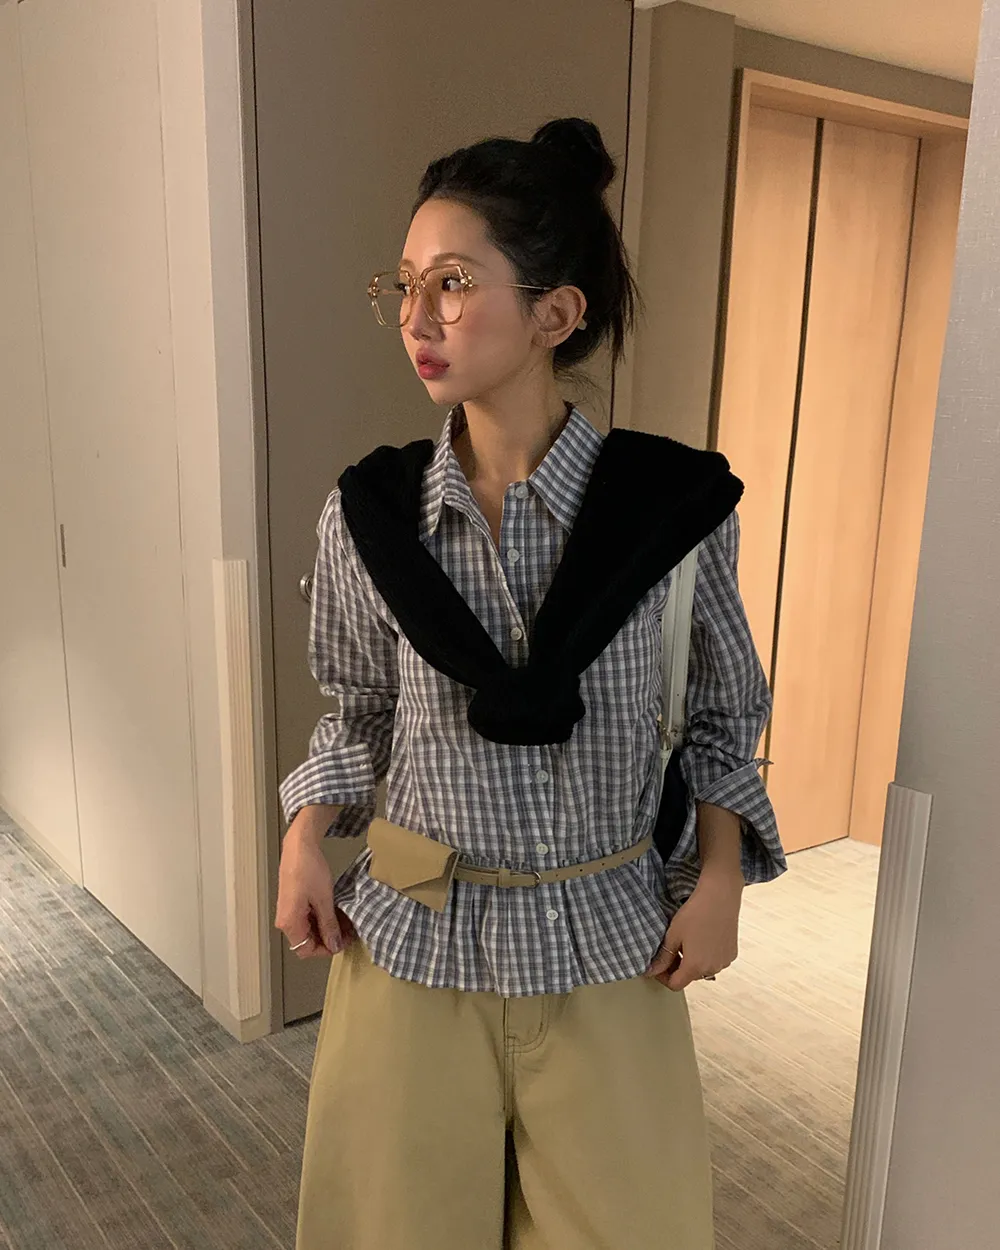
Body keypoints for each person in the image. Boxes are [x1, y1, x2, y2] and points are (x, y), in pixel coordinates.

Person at [274, 117, 786, 1250]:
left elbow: (721, 713)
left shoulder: (673, 513)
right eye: (405, 284)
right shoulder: (372, 518)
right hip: (414, 947)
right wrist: (305, 836)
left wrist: (720, 880)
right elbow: (359, 711)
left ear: (556, 314)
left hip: (608, 944)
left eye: (454, 283)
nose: (417, 317)